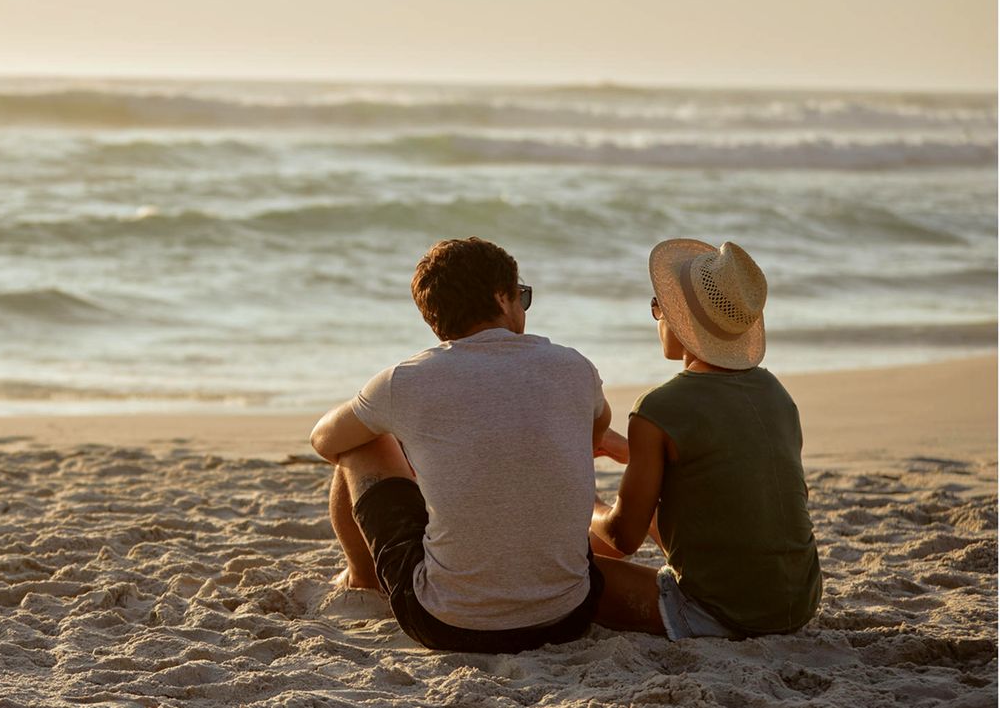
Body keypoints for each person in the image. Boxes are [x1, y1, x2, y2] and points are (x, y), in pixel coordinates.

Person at [310, 237, 655, 653]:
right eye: (521, 297)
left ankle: (361, 580)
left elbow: (324, 440)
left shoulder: (406, 380)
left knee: (364, 441)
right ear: (501, 297)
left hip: (448, 623)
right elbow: (595, 431)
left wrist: (409, 443)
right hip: (570, 616)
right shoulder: (574, 367)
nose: (523, 309)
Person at [590, 239, 822, 640]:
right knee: (656, 507)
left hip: (725, 614)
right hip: (799, 602)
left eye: (658, 306)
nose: (657, 316)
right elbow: (736, 474)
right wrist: (618, 448)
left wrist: (585, 500)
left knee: (571, 578)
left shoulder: (659, 408)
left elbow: (621, 536)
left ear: (680, 319)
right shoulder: (777, 395)